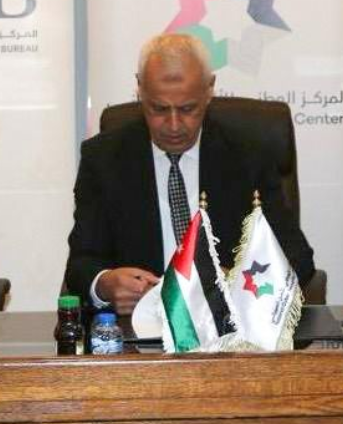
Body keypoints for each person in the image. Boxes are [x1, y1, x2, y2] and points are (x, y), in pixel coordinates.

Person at [64, 33, 315, 316]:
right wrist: (104, 284)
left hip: (228, 326)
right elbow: (81, 264)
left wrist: (237, 282)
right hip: (140, 327)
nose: (173, 125)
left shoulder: (248, 155)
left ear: (209, 90)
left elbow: (297, 258)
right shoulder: (103, 159)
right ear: (140, 90)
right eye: (159, 109)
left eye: (187, 109)